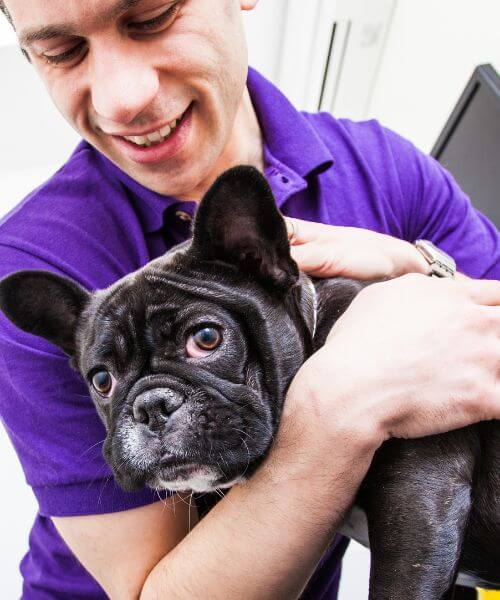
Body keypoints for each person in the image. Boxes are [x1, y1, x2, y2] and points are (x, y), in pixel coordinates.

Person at [0, 1, 499, 598]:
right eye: (61, 51)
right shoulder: (37, 255)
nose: (121, 97)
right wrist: (344, 401)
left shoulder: (384, 169)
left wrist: (418, 266)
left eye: (153, 15)